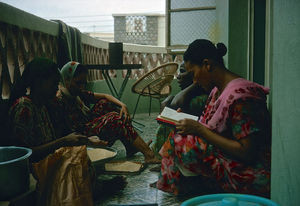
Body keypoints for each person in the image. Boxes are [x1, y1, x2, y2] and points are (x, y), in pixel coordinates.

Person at [154, 39, 271, 197]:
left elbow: (247, 152)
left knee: (184, 143)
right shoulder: (217, 91)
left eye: (193, 73)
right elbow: (214, 128)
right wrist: (186, 121)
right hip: (228, 158)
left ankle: (200, 189)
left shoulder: (242, 97)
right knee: (180, 136)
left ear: (207, 64)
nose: (194, 81)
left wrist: (199, 130)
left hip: (251, 172)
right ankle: (194, 186)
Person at [8, 58, 127, 205]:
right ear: (39, 82)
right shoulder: (24, 108)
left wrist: (86, 140)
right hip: (34, 169)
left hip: (47, 159)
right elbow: (26, 154)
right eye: (53, 84)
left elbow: (56, 138)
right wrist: (64, 142)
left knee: (79, 152)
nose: (57, 89)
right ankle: (97, 190)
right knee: (75, 159)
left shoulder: (42, 105)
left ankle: (96, 188)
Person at [56, 61, 159, 164]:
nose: (82, 87)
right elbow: (67, 133)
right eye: (78, 83)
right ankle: (149, 155)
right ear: (66, 80)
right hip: (80, 136)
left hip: (86, 125)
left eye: (84, 83)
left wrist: (123, 106)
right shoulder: (60, 100)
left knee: (106, 104)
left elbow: (105, 96)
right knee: (114, 119)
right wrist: (89, 140)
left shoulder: (76, 93)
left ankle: (130, 146)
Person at [152, 62, 208, 156]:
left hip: (199, 147)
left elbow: (176, 104)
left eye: (182, 71)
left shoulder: (200, 100)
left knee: (169, 127)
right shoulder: (192, 94)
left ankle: (162, 157)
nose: (178, 76)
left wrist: (196, 83)